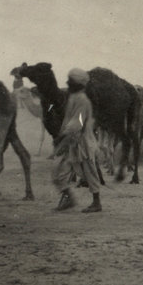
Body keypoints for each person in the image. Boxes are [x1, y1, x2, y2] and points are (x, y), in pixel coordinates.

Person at [52, 68, 102, 212]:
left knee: (89, 172)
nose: (67, 82)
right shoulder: (74, 98)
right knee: (59, 170)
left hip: (82, 142)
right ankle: (68, 198)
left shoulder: (82, 100)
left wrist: (62, 136)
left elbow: (77, 122)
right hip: (72, 141)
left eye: (70, 80)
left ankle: (96, 203)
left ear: (77, 83)